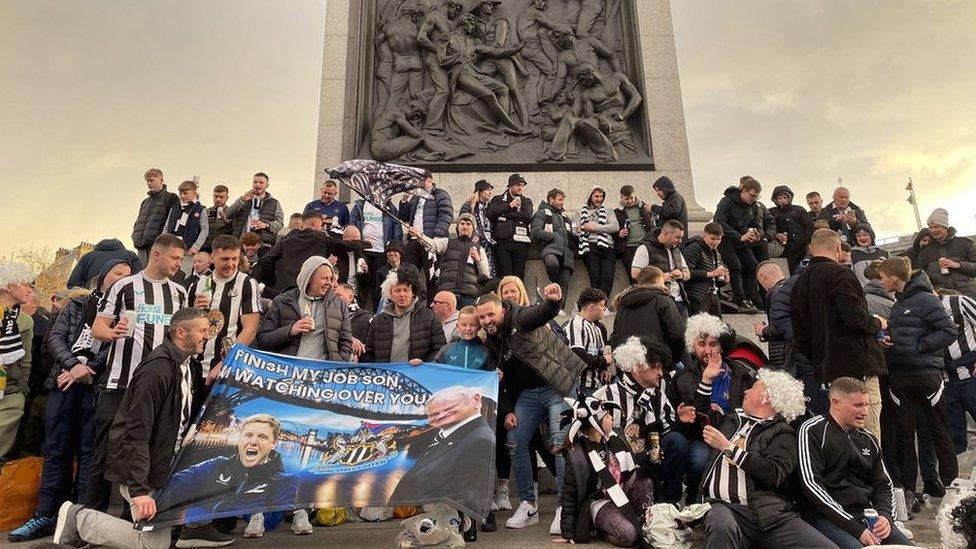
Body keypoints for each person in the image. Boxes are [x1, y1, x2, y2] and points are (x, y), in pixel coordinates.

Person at [52, 308, 214, 549]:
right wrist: (139, 490)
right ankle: (80, 519)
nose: (207, 335)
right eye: (202, 330)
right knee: (154, 544)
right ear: (181, 333)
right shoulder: (157, 370)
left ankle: (82, 521)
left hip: (159, 468)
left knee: (159, 540)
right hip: (138, 470)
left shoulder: (186, 365)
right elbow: (136, 432)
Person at [7, 261, 132, 542]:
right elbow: (56, 338)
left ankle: (79, 519)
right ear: (102, 277)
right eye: (117, 273)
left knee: (89, 454)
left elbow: (118, 348)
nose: (122, 278)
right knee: (55, 450)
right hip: (64, 383)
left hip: (96, 386)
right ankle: (46, 514)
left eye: (127, 275)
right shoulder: (77, 305)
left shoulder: (126, 312)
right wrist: (74, 365)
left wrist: (88, 369)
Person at [86, 234, 188, 511]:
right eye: (175, 258)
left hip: (159, 387)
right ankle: (90, 519)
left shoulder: (179, 292)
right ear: (156, 254)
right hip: (121, 382)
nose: (179, 263)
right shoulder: (124, 286)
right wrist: (113, 333)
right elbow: (98, 328)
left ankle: (132, 523)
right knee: (105, 453)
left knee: (151, 452)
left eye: (181, 258)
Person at [477, 285, 585, 529]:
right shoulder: (492, 340)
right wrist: (508, 411)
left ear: (502, 311)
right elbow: (501, 380)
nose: (486, 321)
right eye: (482, 317)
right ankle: (528, 505)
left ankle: (563, 507)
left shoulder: (519, 317)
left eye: (490, 315)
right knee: (514, 440)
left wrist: (553, 302)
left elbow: (540, 313)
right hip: (528, 394)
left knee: (559, 442)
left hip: (557, 386)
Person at [698, 369, 831, 548]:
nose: (745, 391)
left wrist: (729, 448)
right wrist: (706, 380)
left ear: (767, 397)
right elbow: (701, 412)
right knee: (721, 526)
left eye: (752, 388)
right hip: (723, 506)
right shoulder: (731, 421)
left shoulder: (784, 433)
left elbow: (774, 472)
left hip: (767, 514)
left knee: (825, 547)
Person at [558, 338, 668, 545]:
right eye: (656, 367)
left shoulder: (654, 399)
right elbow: (570, 492)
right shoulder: (584, 447)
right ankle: (608, 524)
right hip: (600, 498)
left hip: (628, 485)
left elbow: (657, 441)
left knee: (646, 481)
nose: (611, 418)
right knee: (629, 535)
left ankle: (639, 519)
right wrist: (569, 532)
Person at [798, 377, 913, 548]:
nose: (865, 412)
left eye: (867, 405)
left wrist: (885, 517)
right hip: (826, 516)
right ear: (835, 403)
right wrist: (855, 528)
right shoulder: (812, 430)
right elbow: (811, 485)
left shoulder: (868, 438)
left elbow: (884, 484)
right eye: (858, 405)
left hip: (866, 514)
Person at [877, 257, 958, 500]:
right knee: (904, 436)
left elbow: (949, 331)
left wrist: (922, 347)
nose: (880, 283)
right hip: (900, 378)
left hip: (926, 376)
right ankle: (909, 490)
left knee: (939, 431)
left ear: (893, 278)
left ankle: (952, 487)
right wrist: (887, 342)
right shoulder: (897, 305)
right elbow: (902, 336)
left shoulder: (926, 300)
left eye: (882, 278)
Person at [791, 229, 885, 426]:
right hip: (858, 367)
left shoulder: (799, 283)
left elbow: (800, 335)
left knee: (840, 435)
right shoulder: (841, 274)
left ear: (811, 250)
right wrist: (878, 322)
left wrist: (820, 358)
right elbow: (856, 318)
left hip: (826, 371)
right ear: (838, 247)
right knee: (867, 435)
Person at [153, 414, 300, 539]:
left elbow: (269, 522)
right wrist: (142, 496)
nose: (253, 442)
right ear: (240, 438)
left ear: (274, 443)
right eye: (248, 435)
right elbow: (177, 484)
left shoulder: (286, 480)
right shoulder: (216, 465)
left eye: (262, 437)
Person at [669, 314, 756, 504]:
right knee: (701, 458)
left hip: (735, 438)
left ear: (722, 345)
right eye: (702, 344)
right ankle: (694, 499)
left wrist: (726, 416)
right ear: (693, 347)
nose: (708, 350)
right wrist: (682, 418)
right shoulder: (682, 378)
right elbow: (682, 426)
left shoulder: (741, 374)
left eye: (713, 344)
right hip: (700, 438)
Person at [388, 385, 494, 508]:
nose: (440, 416)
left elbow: (473, 490)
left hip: (438, 516)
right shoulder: (443, 433)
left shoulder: (479, 440)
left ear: (475, 401)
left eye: (449, 408)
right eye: (434, 414)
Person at [186, 236, 260, 389]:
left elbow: (250, 329)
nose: (231, 264)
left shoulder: (247, 283)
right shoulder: (196, 285)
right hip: (194, 367)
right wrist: (193, 310)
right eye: (225, 259)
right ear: (212, 258)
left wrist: (224, 363)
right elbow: (184, 326)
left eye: (235, 259)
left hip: (227, 369)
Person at [257, 257, 352, 362]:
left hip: (322, 374)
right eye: (324, 278)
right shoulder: (283, 301)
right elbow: (263, 339)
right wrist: (290, 330)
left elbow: (346, 342)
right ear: (309, 277)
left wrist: (337, 365)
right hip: (288, 372)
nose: (329, 283)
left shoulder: (339, 306)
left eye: (331, 278)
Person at [362, 269, 445, 364]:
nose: (402, 294)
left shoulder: (429, 317)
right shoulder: (377, 321)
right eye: (397, 290)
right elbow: (369, 354)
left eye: (406, 290)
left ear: (413, 293)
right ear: (390, 294)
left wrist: (424, 365)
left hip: (417, 376)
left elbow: (440, 348)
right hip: (387, 376)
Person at [253, 211, 342, 297]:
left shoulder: (284, 241)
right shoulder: (320, 241)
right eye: (321, 225)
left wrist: (271, 281)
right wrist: (326, 263)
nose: (322, 228)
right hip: (305, 291)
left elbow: (267, 259)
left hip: (283, 289)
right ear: (314, 224)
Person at [610, 266, 685, 365]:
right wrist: (669, 362)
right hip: (657, 364)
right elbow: (678, 335)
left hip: (630, 366)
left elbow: (615, 338)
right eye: (663, 282)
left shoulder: (622, 306)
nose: (665, 286)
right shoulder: (663, 300)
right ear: (658, 280)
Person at [416, 213, 491, 308]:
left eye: (468, 224)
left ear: (473, 228)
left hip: (468, 296)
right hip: (446, 293)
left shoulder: (479, 249)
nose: (465, 226)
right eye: (462, 223)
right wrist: (419, 236)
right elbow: (432, 244)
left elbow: (485, 275)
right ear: (457, 227)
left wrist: (478, 260)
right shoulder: (447, 242)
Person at [713, 176, 766, 312]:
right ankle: (740, 299)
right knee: (735, 266)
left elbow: (756, 224)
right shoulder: (727, 201)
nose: (753, 199)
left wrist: (757, 234)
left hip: (743, 241)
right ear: (743, 191)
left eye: (756, 197)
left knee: (753, 266)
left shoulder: (753, 206)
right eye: (752, 195)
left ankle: (750, 298)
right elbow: (719, 221)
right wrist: (739, 236)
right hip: (726, 240)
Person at [0, 262, 35, 465]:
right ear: (8, 286)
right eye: (24, 284)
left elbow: (26, 361)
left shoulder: (25, 322)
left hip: (10, 393)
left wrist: (20, 392)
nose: (29, 289)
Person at [937, 288, 976, 453]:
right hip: (944, 380)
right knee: (955, 437)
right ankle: (960, 476)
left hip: (970, 373)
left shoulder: (958, 302)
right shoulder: (916, 310)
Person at [349, 194, 403, 309]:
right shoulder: (360, 205)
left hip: (381, 252)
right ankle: (359, 313)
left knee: (378, 285)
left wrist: (393, 250)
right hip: (363, 251)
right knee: (361, 281)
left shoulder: (390, 208)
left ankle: (377, 316)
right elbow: (352, 225)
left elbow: (397, 231)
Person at [629, 220, 690, 317]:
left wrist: (681, 274)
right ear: (666, 233)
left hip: (680, 302)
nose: (680, 241)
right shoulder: (645, 248)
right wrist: (660, 277)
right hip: (658, 302)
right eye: (677, 237)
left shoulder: (676, 250)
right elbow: (635, 274)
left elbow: (687, 273)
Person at [398, 170, 454, 274]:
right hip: (414, 239)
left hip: (429, 240)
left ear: (429, 181)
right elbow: (404, 217)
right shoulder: (416, 197)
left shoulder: (440, 194)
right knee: (406, 273)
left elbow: (446, 214)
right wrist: (404, 201)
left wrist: (438, 234)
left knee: (431, 275)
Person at [915, 208, 976, 298]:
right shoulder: (925, 253)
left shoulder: (965, 244)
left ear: (945, 226)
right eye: (930, 227)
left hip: (968, 296)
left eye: (936, 227)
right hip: (941, 300)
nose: (932, 230)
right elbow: (921, 278)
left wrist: (958, 265)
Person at [531, 188, 575, 307]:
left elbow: (572, 233)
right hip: (550, 248)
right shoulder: (542, 213)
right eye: (559, 200)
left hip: (567, 253)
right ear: (551, 199)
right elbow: (535, 232)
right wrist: (553, 237)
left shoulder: (565, 217)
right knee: (552, 263)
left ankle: (560, 308)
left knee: (564, 282)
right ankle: (554, 284)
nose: (562, 203)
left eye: (563, 200)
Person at [563, 288, 611, 397]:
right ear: (592, 307)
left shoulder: (596, 328)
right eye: (602, 305)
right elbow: (577, 355)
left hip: (593, 385)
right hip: (578, 387)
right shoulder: (575, 325)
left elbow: (599, 353)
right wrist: (603, 361)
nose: (605, 309)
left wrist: (603, 369)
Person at [486, 174, 534, 279]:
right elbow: (491, 214)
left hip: (521, 243)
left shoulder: (526, 201)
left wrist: (504, 214)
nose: (520, 188)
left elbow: (527, 216)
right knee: (505, 275)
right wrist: (509, 206)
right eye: (517, 185)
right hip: (502, 243)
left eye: (522, 185)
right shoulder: (497, 199)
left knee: (519, 275)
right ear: (510, 186)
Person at [576, 187, 619, 299]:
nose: (599, 199)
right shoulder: (580, 211)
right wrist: (578, 230)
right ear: (590, 196)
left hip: (607, 245)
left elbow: (615, 226)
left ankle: (603, 304)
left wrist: (596, 228)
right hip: (589, 245)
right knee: (595, 277)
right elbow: (575, 228)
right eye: (596, 196)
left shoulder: (608, 210)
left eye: (601, 196)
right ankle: (597, 304)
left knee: (608, 276)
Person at [131, 167, 179, 265]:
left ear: (161, 180)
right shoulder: (145, 202)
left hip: (157, 245)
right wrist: (134, 236)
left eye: (152, 180)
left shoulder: (170, 197)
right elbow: (138, 222)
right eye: (147, 181)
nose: (149, 183)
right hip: (141, 245)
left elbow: (172, 222)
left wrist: (163, 241)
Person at [226, 172, 284, 249]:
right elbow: (228, 215)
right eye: (255, 182)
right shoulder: (243, 199)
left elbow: (279, 223)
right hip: (241, 244)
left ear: (267, 185)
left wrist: (265, 225)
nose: (257, 185)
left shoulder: (274, 203)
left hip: (263, 244)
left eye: (261, 182)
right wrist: (242, 200)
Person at [682, 222, 728, 316]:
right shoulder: (693, 248)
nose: (716, 242)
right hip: (697, 296)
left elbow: (715, 277)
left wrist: (723, 280)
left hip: (713, 296)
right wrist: (712, 273)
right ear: (704, 236)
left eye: (718, 239)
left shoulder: (715, 251)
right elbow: (686, 273)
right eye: (712, 239)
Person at [164, 179, 209, 274]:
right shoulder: (174, 208)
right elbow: (166, 227)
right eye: (180, 193)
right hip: (172, 248)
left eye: (185, 193)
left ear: (194, 193)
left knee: (183, 277)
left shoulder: (200, 210)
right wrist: (163, 243)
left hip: (188, 251)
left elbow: (205, 230)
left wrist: (196, 246)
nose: (182, 196)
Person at [613, 185, 656, 284]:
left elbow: (654, 224)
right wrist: (618, 233)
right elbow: (612, 230)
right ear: (621, 198)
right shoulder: (616, 212)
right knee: (633, 278)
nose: (630, 201)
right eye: (627, 199)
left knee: (650, 276)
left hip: (645, 245)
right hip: (628, 248)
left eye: (632, 198)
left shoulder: (645, 207)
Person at [769, 186, 814, 273]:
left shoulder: (799, 210)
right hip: (784, 249)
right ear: (775, 200)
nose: (783, 200)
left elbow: (809, 227)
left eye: (785, 197)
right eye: (779, 198)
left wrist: (804, 241)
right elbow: (768, 227)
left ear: (790, 198)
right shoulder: (771, 212)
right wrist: (775, 235)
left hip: (802, 248)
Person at [434, 306, 492, 371]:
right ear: (457, 326)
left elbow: (492, 375)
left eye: (473, 325)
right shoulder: (446, 350)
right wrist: (420, 365)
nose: (468, 329)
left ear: (479, 327)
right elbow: (432, 370)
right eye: (464, 325)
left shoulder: (485, 352)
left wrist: (498, 376)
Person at [67, 239, 142, 289]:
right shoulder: (130, 255)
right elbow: (140, 279)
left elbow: (73, 282)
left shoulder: (87, 256)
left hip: (90, 298)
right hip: (120, 298)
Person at [459, 179, 498, 278]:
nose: (490, 192)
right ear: (480, 192)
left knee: (489, 275)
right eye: (487, 190)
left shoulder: (489, 207)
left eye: (491, 190)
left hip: (489, 247)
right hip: (474, 246)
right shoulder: (469, 206)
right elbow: (462, 225)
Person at [755, 261, 789, 368]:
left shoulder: (778, 293)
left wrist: (763, 331)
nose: (764, 288)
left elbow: (781, 327)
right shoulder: (795, 288)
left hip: (784, 354)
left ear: (763, 277)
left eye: (761, 284)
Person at [375, 241, 424, 311]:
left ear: (400, 254)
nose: (391, 253)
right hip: (389, 303)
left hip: (410, 302)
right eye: (388, 251)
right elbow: (378, 295)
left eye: (395, 251)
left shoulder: (411, 268)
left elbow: (419, 290)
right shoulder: (381, 271)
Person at [335, 283, 371, 349]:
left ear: (351, 297)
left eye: (338, 295)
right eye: (334, 296)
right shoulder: (330, 317)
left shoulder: (366, 318)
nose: (335, 299)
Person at [203, 184, 234, 252]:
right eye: (216, 196)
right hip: (206, 248)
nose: (218, 199)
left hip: (223, 249)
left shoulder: (232, 213)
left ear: (227, 198)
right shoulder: (205, 212)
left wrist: (227, 222)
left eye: (221, 197)